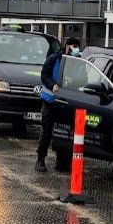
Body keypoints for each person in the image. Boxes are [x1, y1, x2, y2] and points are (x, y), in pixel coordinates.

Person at [35, 37, 81, 172]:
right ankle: (40, 159)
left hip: (67, 102)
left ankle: (62, 161)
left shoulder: (78, 62)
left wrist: (74, 82)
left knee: (65, 131)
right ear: (67, 47)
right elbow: (44, 75)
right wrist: (52, 85)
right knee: (46, 131)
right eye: (73, 46)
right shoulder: (54, 58)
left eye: (77, 46)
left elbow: (84, 78)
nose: (75, 49)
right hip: (50, 100)